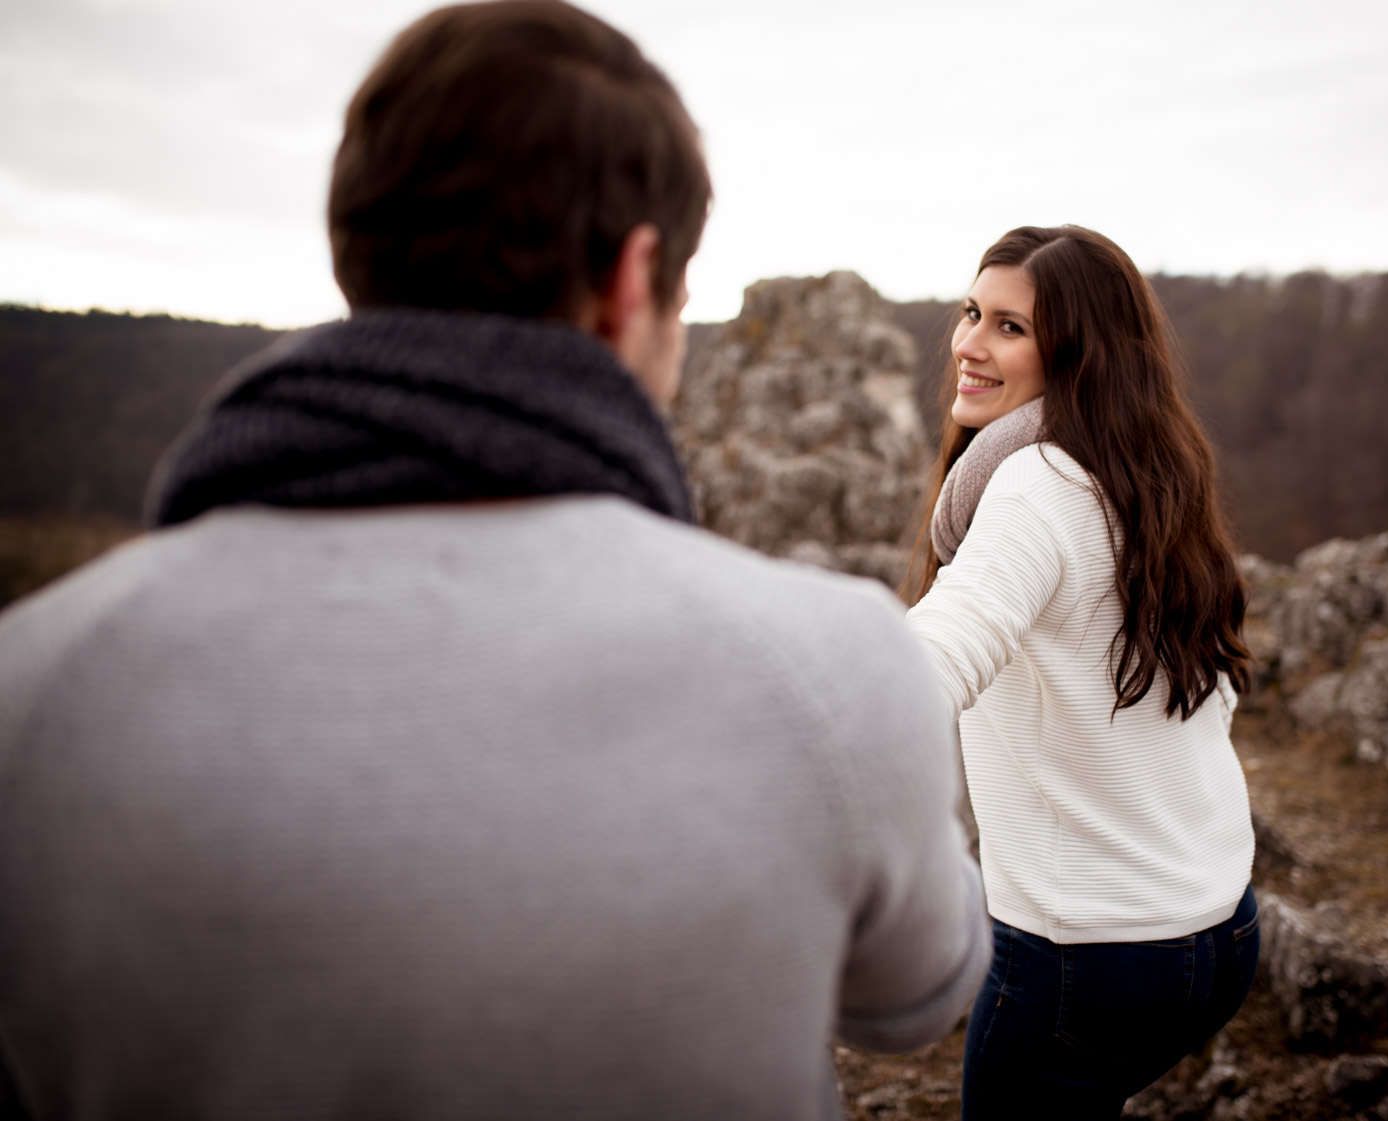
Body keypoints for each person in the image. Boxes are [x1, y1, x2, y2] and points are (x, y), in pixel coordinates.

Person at [0, 4, 989, 1117]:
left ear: (353, 251)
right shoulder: (835, 664)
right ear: (635, 275)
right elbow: (917, 995)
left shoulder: (32, 682)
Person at [904, 225, 1260, 1118]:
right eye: (971, 312)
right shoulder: (1146, 474)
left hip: (1088, 960)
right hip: (1218, 931)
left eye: (1011, 328)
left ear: (1079, 350)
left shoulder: (1034, 486)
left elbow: (940, 652)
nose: (969, 345)